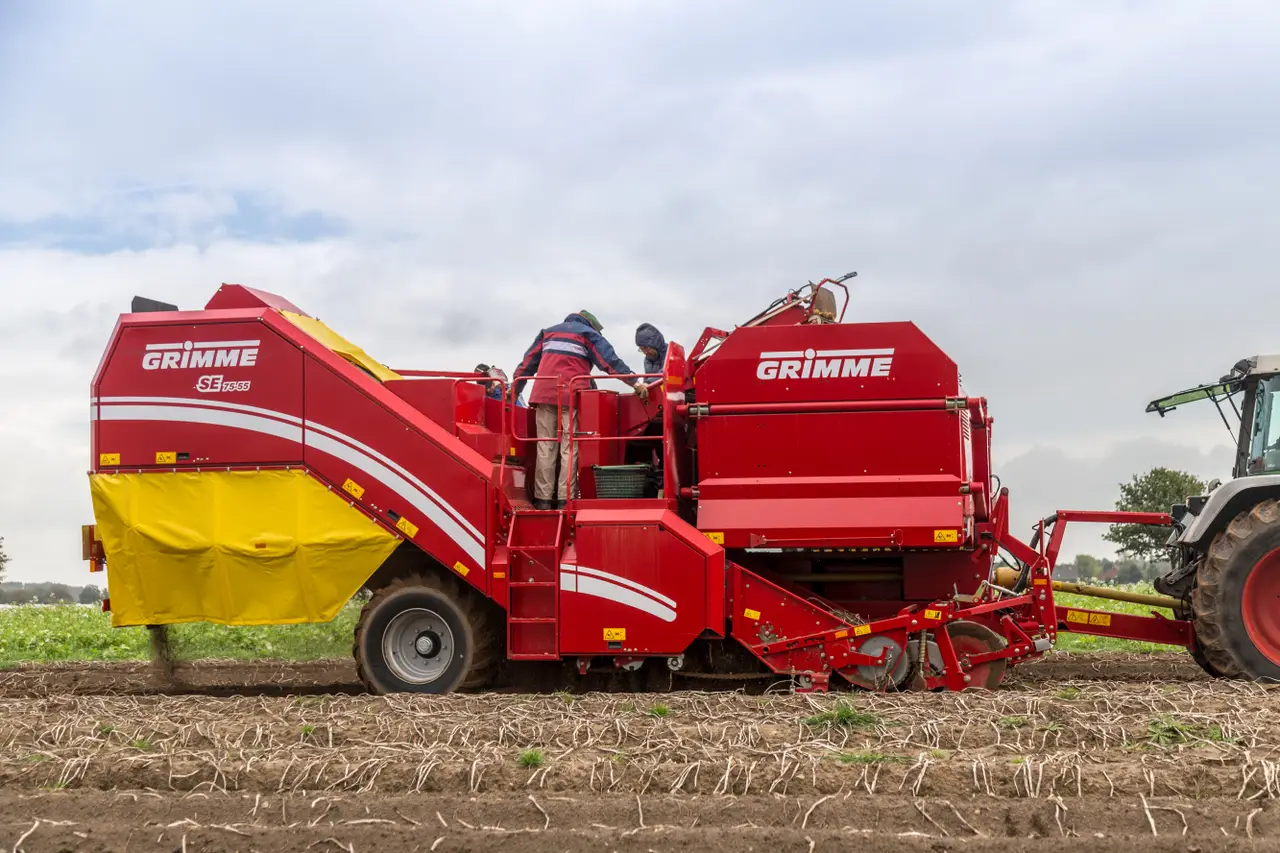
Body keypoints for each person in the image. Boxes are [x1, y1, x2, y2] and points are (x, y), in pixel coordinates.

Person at [514, 310, 648, 509]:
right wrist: (635, 382)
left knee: (545, 447)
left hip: (543, 394)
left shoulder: (548, 332)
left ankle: (543, 500)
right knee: (569, 448)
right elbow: (609, 361)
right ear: (592, 325)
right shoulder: (587, 334)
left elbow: (527, 363)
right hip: (571, 395)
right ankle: (564, 500)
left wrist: (515, 390)